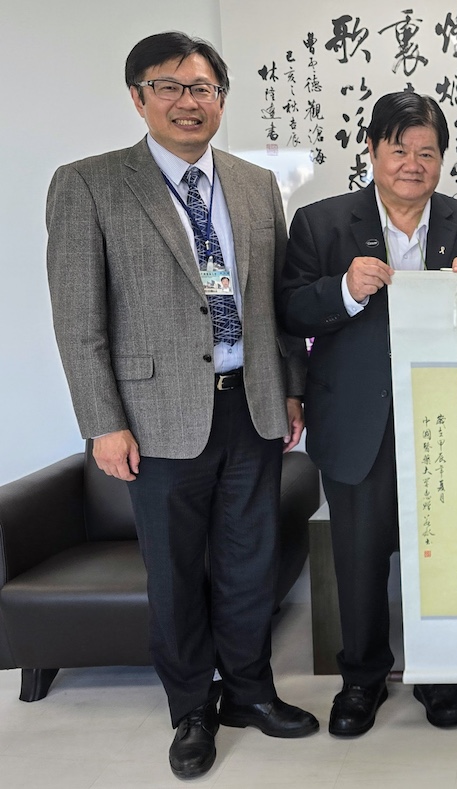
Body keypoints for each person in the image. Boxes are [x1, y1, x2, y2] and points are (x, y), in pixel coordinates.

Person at [45, 32, 318, 781]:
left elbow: (277, 303)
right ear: (138, 97)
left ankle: (252, 691)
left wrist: (290, 383)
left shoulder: (256, 184)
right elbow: (79, 319)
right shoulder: (91, 183)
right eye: (169, 87)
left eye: (202, 89)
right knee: (174, 570)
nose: (188, 102)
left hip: (252, 404)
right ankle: (192, 707)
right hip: (157, 417)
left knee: (249, 563)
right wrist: (102, 419)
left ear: (221, 100)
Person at [278, 91, 457, 737]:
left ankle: (439, 672)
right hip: (357, 423)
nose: (412, 162)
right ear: (374, 150)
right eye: (399, 148)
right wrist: (343, 290)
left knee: (441, 553)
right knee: (358, 556)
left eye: (426, 152)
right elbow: (291, 311)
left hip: (448, 424)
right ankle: (362, 677)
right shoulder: (321, 223)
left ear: (442, 160)